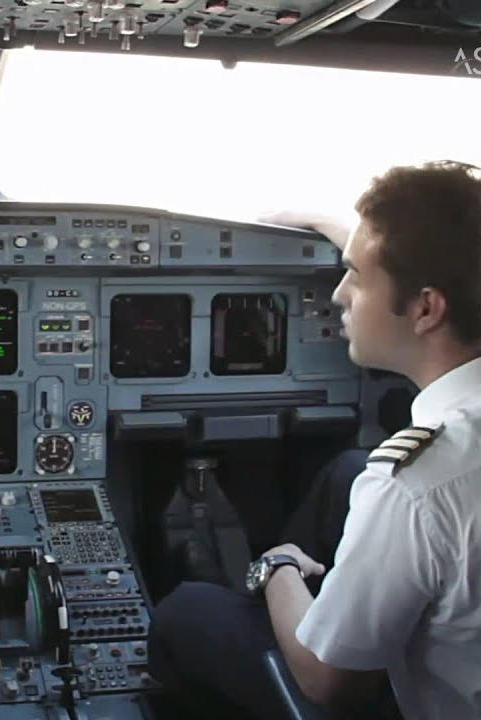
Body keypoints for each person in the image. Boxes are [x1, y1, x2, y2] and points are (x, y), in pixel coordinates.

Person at [149, 161, 481, 719]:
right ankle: (293, 609)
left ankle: (271, 598)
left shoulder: (415, 483)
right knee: (348, 469)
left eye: (356, 275)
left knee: (185, 610)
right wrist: (345, 231)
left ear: (426, 308)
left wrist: (276, 567)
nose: (339, 295)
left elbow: (331, 683)